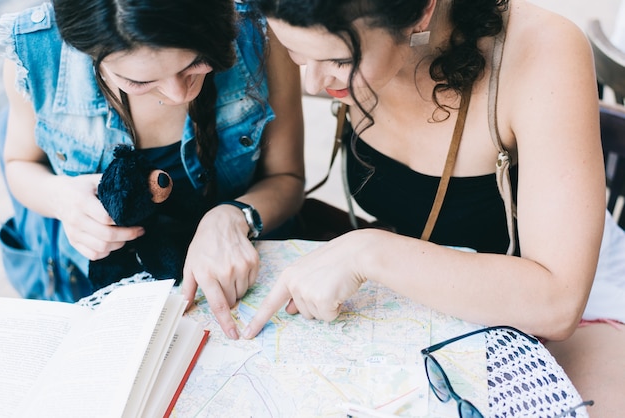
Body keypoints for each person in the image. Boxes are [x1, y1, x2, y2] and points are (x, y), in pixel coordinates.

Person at [242, 0, 625, 415]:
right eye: (296, 55)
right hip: (414, 292)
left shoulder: (541, 49)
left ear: (423, 11)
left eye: (338, 59)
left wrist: (368, 252)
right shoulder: (313, 30)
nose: (313, 83)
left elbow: (557, 302)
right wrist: (230, 213)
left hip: (559, 300)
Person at [0, 0, 304, 339]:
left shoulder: (258, 32)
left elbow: (287, 178)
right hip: (93, 292)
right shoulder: (36, 50)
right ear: (85, 50)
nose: (177, 94)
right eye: (138, 81)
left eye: (198, 62)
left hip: (237, 285)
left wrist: (235, 216)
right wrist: (62, 199)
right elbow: (20, 163)